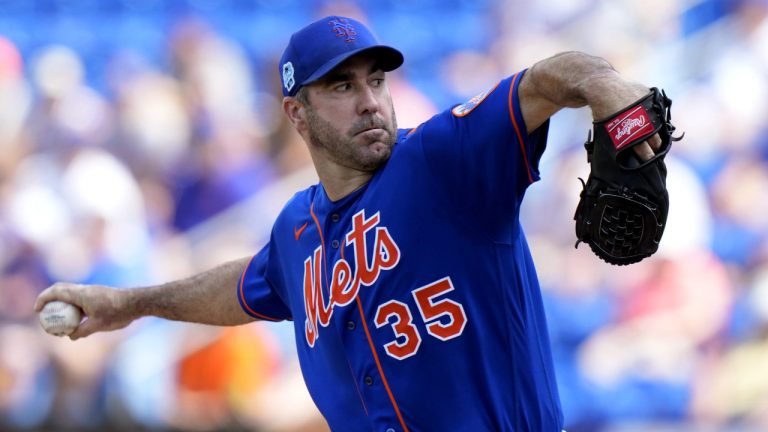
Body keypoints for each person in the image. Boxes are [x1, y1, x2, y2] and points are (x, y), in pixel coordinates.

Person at [35, 15, 664, 432]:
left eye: (376, 79)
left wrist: (607, 90)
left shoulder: (444, 159)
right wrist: (128, 303)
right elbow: (243, 288)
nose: (368, 99)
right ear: (297, 114)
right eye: (340, 86)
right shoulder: (295, 232)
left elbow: (555, 78)